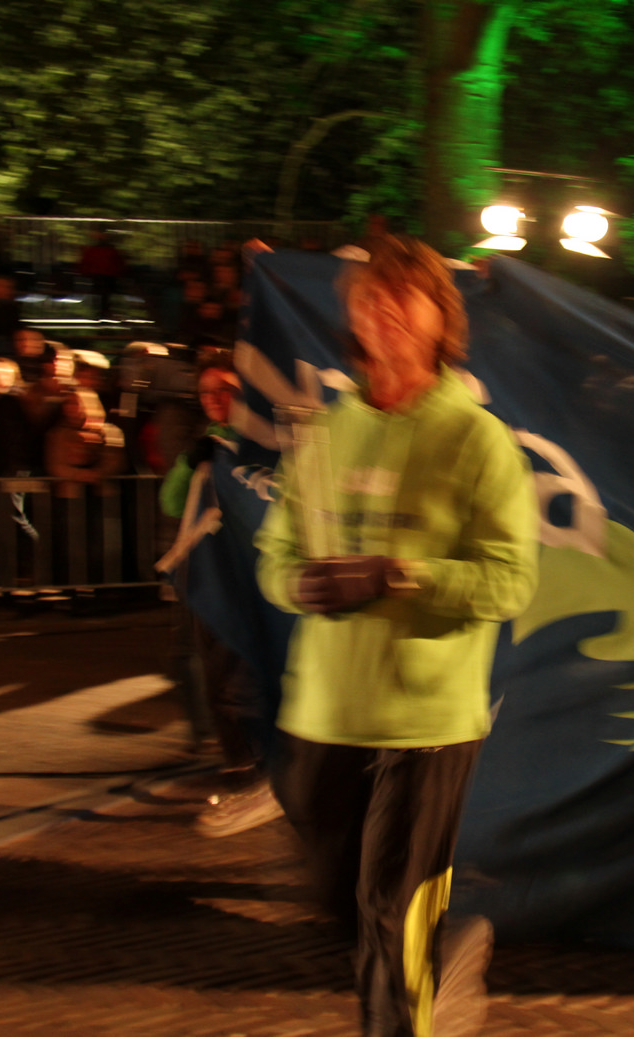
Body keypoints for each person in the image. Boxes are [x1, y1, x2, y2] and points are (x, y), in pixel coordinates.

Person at [255, 235, 538, 1037]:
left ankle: (403, 1014)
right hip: (324, 711)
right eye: (367, 295)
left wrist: (398, 575)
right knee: (341, 904)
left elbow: (509, 581)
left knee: (390, 907)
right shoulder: (324, 431)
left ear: (440, 317)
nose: (381, 308)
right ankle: (439, 967)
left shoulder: (477, 439)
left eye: (401, 293)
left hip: (427, 719)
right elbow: (274, 556)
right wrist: (296, 584)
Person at [160, 353, 282, 836]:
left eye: (225, 390)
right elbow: (172, 502)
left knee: (249, 680)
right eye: (206, 392)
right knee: (218, 681)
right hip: (211, 582)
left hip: (255, 581)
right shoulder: (205, 446)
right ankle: (241, 771)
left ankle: (261, 774)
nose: (215, 399)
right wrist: (190, 463)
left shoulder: (265, 442)